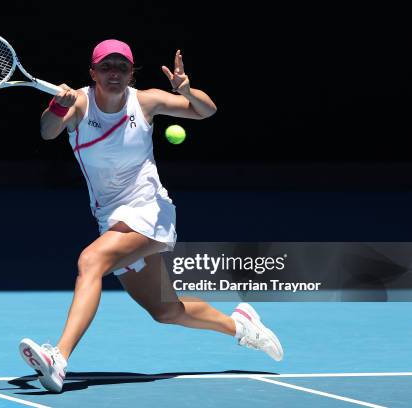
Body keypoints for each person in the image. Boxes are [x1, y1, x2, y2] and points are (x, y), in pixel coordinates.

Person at [19, 39, 283, 393]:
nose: (114, 73)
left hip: (151, 212)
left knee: (91, 260)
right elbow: (47, 131)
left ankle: (59, 359)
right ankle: (242, 325)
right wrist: (56, 105)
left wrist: (188, 90)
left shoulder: (146, 101)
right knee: (166, 311)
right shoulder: (79, 103)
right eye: (106, 67)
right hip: (112, 219)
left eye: (122, 67)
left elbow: (206, 111)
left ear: (131, 72)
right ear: (92, 72)